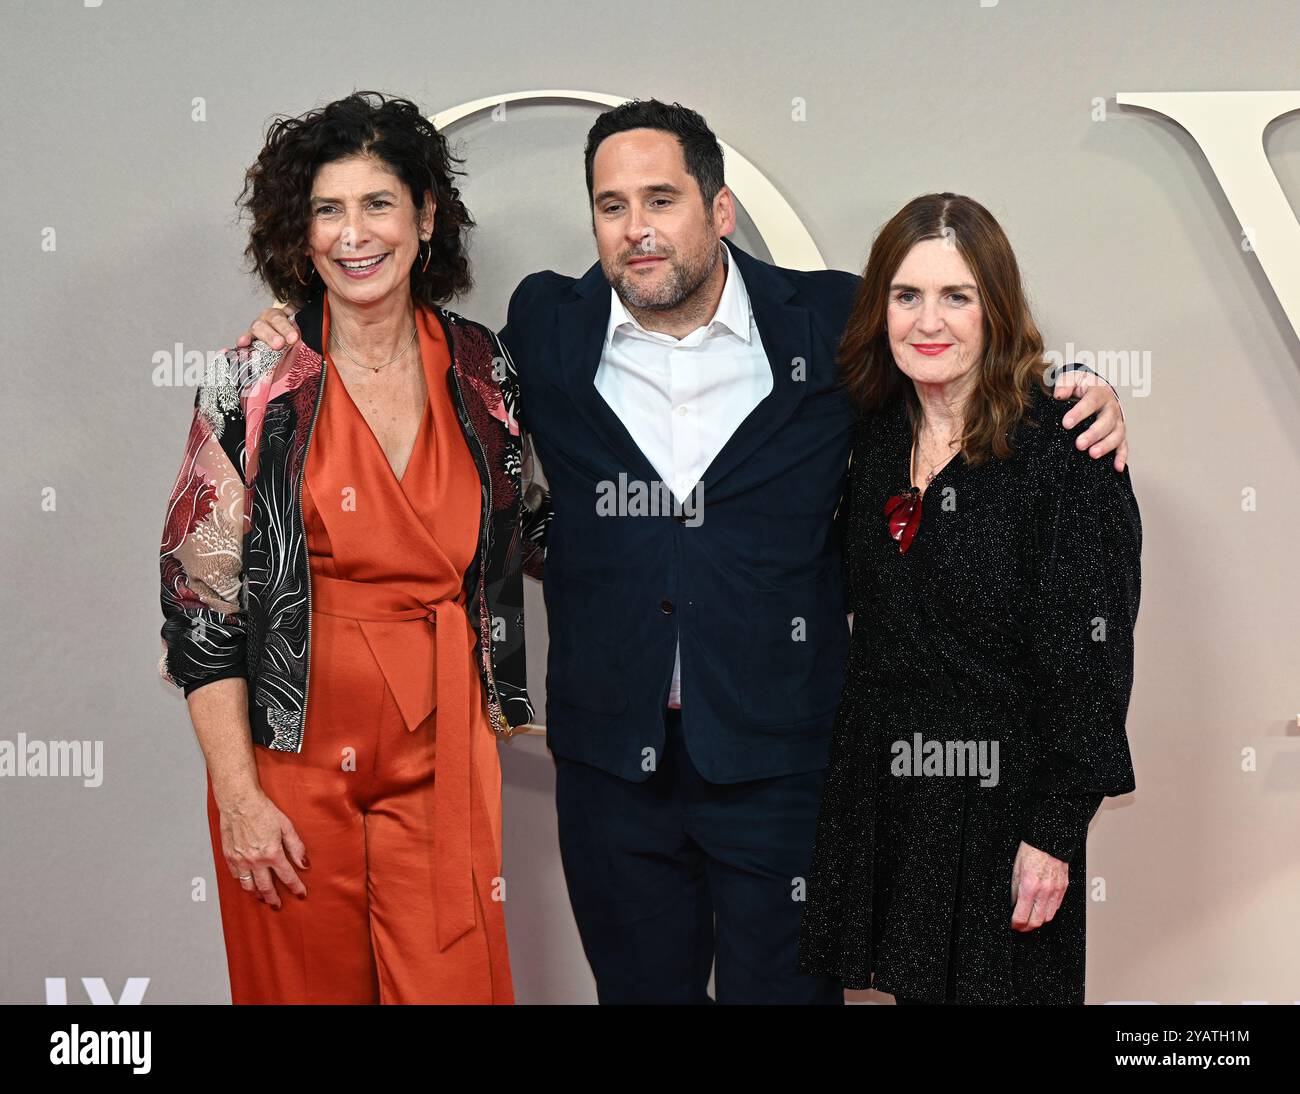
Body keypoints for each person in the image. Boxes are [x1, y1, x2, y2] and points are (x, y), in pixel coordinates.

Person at [240, 99, 1128, 1004]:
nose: (637, 231)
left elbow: (947, 355)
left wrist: (1070, 391)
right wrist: (296, 325)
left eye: (661, 200)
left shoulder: (824, 322)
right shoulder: (545, 326)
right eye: (611, 205)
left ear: (721, 209)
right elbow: (412, 374)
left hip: (783, 763)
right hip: (611, 771)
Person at [158, 92, 545, 1004]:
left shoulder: (488, 370)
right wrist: (241, 799)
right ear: (300, 232)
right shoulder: (257, 380)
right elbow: (198, 606)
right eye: (327, 210)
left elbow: (539, 533)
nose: (353, 233)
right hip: (286, 760)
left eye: (377, 203)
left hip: (441, 750)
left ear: (425, 216)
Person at [797, 193, 1141, 1005]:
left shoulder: (1062, 444)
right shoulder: (874, 437)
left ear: (996, 308)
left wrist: (1054, 833)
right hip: (893, 796)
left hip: (1005, 809)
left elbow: (1094, 657)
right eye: (906, 296)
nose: (929, 321)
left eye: (957, 296)